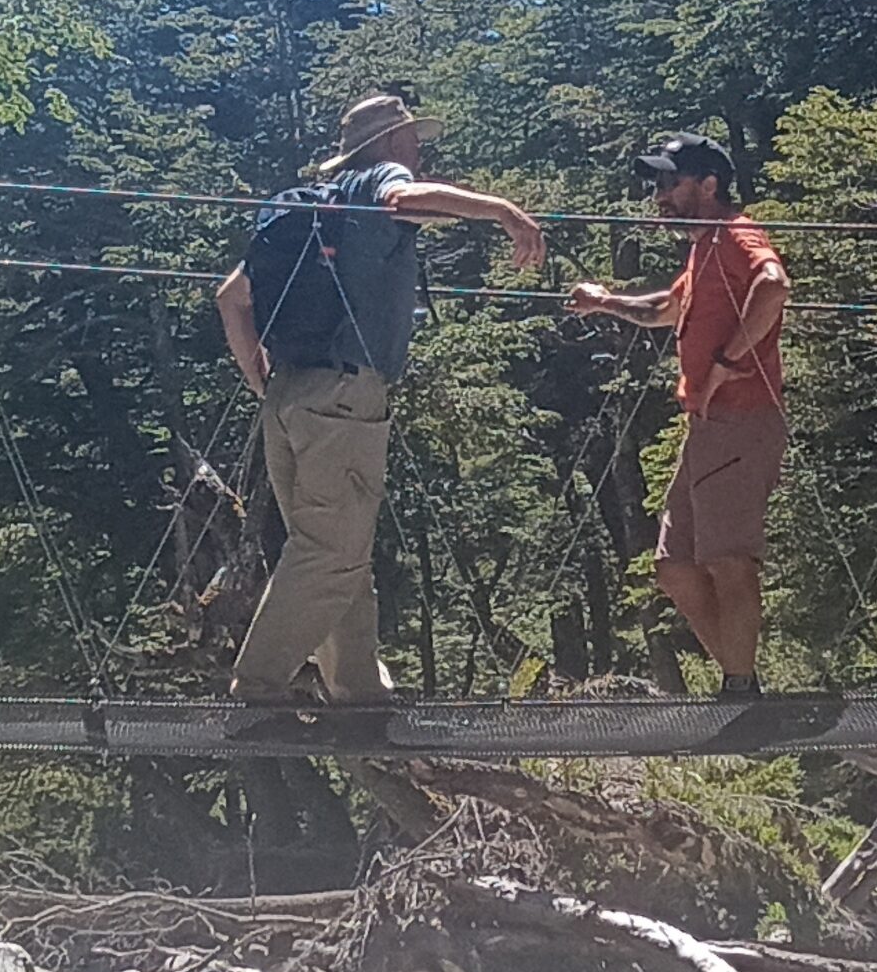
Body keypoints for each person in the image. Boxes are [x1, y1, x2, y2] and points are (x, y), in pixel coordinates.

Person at [214, 93, 543, 703]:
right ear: (391, 143)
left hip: (287, 394)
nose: (419, 149)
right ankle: (255, 688)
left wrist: (264, 381)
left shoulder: (309, 209)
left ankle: (356, 689)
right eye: (412, 138)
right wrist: (501, 211)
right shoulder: (382, 180)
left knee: (337, 548)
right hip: (343, 394)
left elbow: (231, 298)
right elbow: (404, 199)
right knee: (332, 551)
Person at [568, 133, 791, 696]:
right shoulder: (703, 247)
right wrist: (606, 301)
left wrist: (727, 361)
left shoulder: (737, 234)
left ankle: (740, 693)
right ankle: (743, 679)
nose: (659, 195)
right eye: (657, 184)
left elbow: (774, 285)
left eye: (670, 182)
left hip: (741, 420)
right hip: (705, 428)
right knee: (675, 567)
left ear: (708, 185)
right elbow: (669, 308)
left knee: (728, 562)